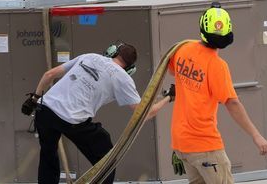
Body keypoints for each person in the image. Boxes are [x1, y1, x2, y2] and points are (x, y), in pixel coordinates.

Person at [32, 42, 170, 184]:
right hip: (71, 120)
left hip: (44, 109)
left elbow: (49, 74)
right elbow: (144, 114)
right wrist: (168, 98)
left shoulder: (89, 56)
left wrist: (33, 99)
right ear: (130, 69)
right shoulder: (123, 78)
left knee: (48, 155)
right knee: (106, 159)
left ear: (113, 51)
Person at [168, 3, 267, 184]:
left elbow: (171, 71)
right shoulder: (217, 66)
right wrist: (256, 135)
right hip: (205, 146)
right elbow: (232, 103)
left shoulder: (182, 49)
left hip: (182, 145)